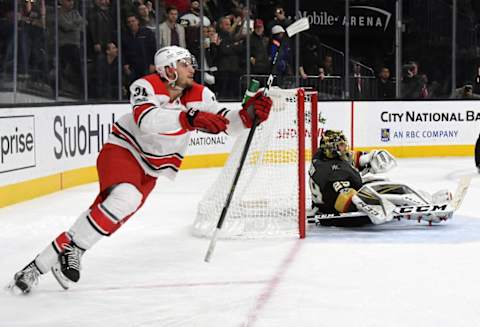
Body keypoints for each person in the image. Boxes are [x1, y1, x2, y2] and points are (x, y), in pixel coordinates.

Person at [8, 45, 273, 294]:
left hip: (152, 170)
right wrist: (187, 117)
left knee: (112, 211)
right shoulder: (145, 86)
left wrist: (247, 117)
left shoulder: (200, 94)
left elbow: (226, 122)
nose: (192, 69)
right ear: (168, 69)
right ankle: (73, 250)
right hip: (123, 150)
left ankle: (37, 266)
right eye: (184, 64)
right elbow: (146, 121)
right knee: (126, 198)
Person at [308, 130, 394, 227]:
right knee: (354, 193)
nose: (345, 148)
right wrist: (374, 210)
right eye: (341, 145)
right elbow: (345, 198)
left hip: (329, 202)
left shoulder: (324, 156)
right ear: (331, 148)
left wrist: (371, 156)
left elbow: (353, 158)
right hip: (334, 214)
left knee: (384, 181)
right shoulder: (329, 170)